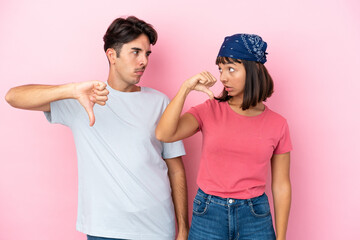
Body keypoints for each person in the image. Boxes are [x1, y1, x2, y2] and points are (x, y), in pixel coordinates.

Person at [5, 16, 189, 240]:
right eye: (135, 52)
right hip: (104, 230)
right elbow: (13, 97)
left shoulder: (160, 102)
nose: (144, 61)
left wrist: (183, 228)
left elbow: (176, 168)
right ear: (112, 55)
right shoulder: (83, 98)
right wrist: (71, 90)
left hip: (157, 228)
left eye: (147, 53)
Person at [156, 33, 292, 240]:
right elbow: (164, 133)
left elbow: (281, 185)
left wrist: (281, 237)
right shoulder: (210, 110)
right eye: (220, 69)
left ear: (253, 70)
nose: (223, 77)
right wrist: (185, 88)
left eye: (231, 69)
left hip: (255, 215)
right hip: (209, 213)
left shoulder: (278, 124)